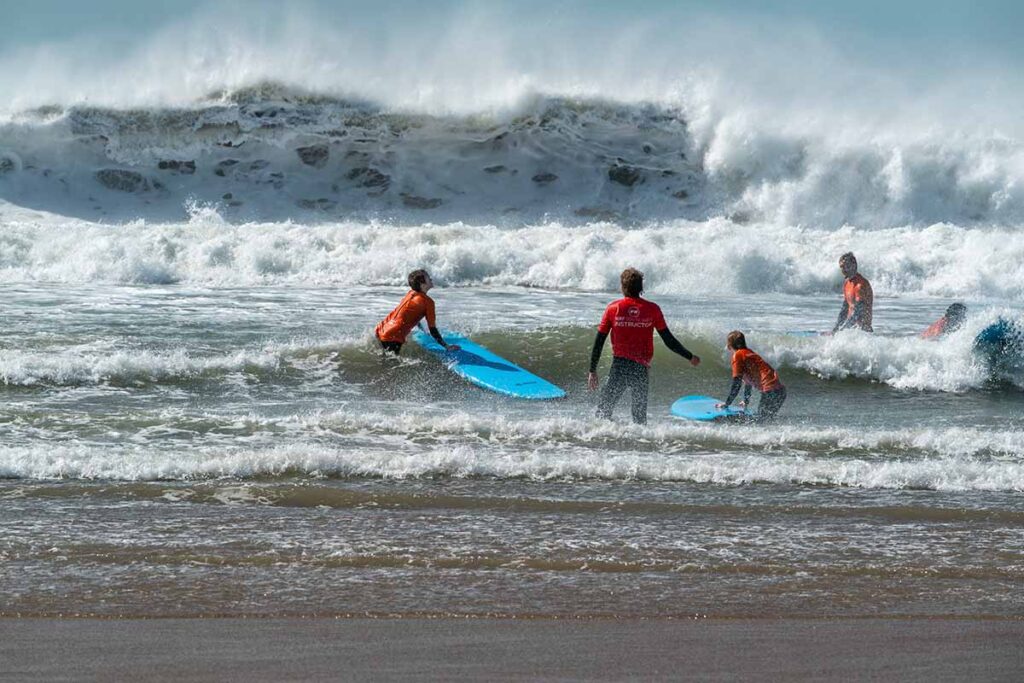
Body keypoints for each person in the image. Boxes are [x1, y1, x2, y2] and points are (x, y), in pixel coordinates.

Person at [588, 268, 700, 424]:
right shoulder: (652, 309)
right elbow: (668, 340)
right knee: (639, 418)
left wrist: (592, 369)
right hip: (641, 368)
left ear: (623, 287)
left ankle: (606, 441)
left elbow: (599, 341)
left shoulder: (612, 309)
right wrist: (689, 356)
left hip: (619, 366)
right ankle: (642, 445)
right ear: (641, 288)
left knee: (603, 411)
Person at [375, 269, 459, 356]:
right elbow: (433, 330)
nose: (431, 279)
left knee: (385, 360)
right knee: (392, 365)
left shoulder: (411, 293)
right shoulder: (428, 302)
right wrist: (446, 346)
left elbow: (410, 314)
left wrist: (422, 329)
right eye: (428, 278)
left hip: (382, 328)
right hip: (392, 336)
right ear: (422, 284)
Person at [716, 331, 786, 423]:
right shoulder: (749, 353)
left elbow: (736, 383)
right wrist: (746, 401)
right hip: (780, 392)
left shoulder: (737, 355)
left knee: (762, 422)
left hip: (770, 392)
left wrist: (727, 403)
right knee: (767, 421)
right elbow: (748, 381)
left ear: (729, 345)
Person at [832, 252, 874, 333]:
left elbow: (859, 311)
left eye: (845, 266)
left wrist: (844, 329)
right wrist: (836, 328)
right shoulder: (847, 283)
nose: (843, 270)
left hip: (863, 332)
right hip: (851, 329)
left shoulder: (860, 285)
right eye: (841, 267)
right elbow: (845, 309)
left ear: (854, 265)